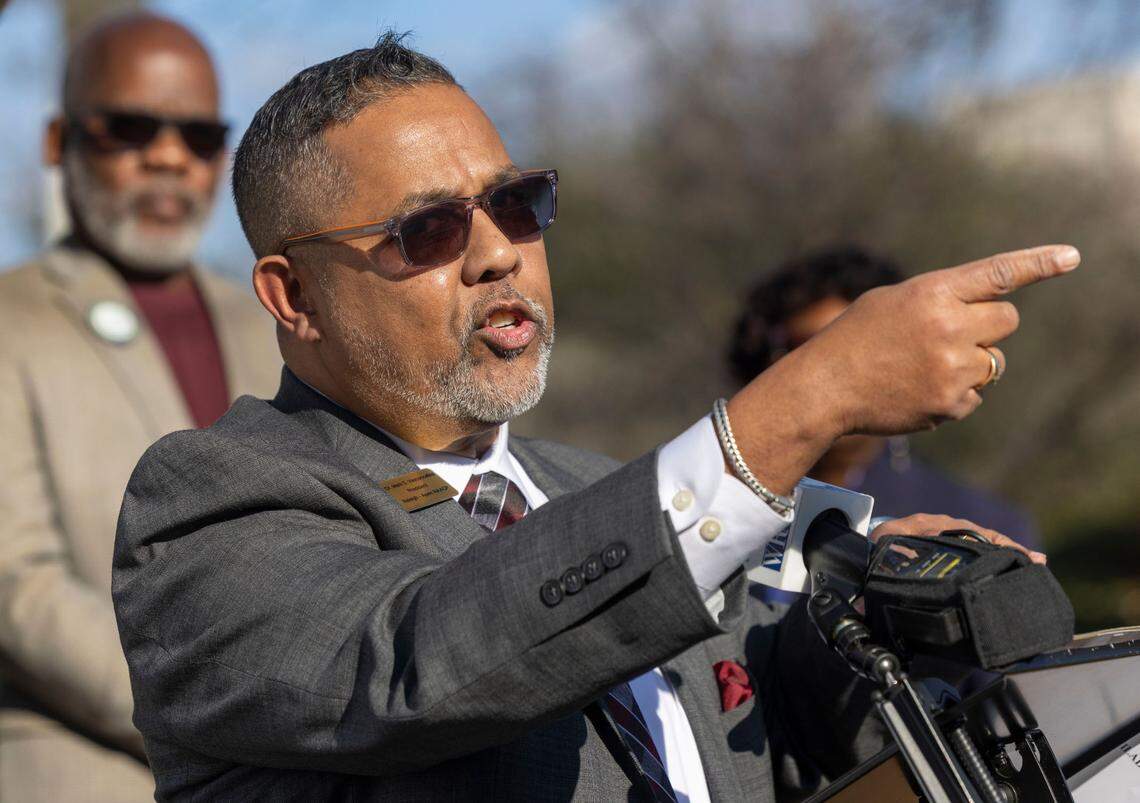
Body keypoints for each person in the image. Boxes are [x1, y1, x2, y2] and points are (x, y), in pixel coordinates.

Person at [113, 34, 1077, 801]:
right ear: (294, 296)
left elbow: (760, 740)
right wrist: (810, 395)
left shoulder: (585, 486)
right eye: (430, 228)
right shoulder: (209, 501)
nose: (499, 253)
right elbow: (424, 662)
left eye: (515, 203)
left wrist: (864, 619)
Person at [0, 12, 279, 801]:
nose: (168, 157)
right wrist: (226, 719)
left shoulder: (278, 321)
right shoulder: (11, 318)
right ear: (59, 142)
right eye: (130, 128)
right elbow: (18, 586)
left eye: (200, 137)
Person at [729, 246, 1042, 549]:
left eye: (860, 352)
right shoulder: (713, 491)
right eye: (807, 351)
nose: (841, 377)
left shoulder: (982, 526)